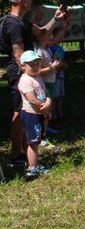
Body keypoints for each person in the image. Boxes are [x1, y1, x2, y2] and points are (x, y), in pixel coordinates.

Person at [1, 0, 66, 167]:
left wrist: (56, 18)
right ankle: (16, 156)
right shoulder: (13, 24)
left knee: (25, 111)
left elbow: (42, 32)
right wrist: (31, 79)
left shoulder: (22, 22)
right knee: (19, 112)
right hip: (21, 74)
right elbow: (19, 56)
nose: (31, 2)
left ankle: (23, 152)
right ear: (22, 2)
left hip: (28, 73)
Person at [17, 50, 52, 179]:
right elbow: (32, 100)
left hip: (40, 113)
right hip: (31, 114)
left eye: (37, 63)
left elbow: (46, 93)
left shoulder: (38, 77)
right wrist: (45, 109)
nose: (35, 67)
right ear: (23, 66)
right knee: (33, 142)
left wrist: (48, 103)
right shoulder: (25, 80)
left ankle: (35, 163)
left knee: (36, 140)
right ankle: (32, 168)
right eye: (31, 64)